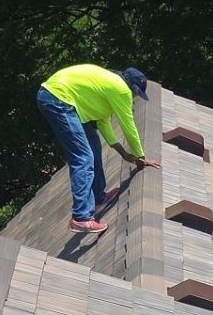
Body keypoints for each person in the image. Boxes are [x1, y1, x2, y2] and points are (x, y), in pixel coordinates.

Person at [36, 64, 157, 233]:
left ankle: (98, 199)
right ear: (133, 89)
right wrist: (141, 157)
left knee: (93, 146)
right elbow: (129, 127)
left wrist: (124, 154)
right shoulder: (121, 90)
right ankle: (81, 218)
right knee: (83, 158)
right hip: (58, 99)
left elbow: (104, 124)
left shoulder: (107, 88)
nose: (135, 98)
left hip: (60, 98)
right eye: (137, 94)